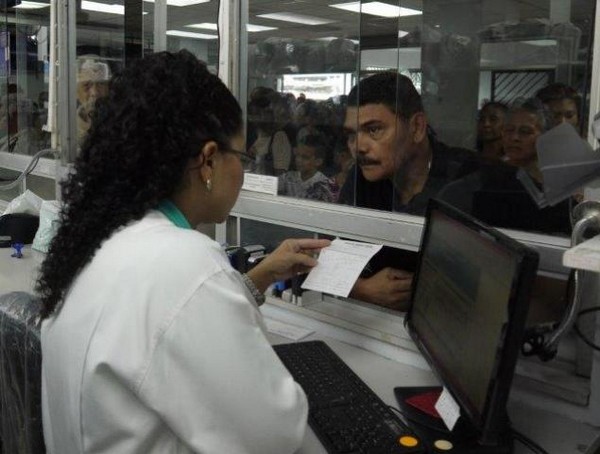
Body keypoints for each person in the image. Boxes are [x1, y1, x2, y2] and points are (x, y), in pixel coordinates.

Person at [36, 50, 330, 454]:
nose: (243, 171)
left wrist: (257, 278)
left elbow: (157, 322)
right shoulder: (184, 262)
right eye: (241, 157)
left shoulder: (103, 237)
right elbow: (276, 438)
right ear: (208, 161)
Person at [338, 72, 476, 310]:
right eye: (352, 134)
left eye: (374, 130)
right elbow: (333, 254)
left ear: (417, 127)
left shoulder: (467, 181)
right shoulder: (362, 178)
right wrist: (362, 289)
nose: (358, 147)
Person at [439, 98, 572, 235]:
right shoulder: (485, 179)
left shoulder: (560, 184)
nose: (514, 138)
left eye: (525, 131)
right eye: (509, 130)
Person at [278, 132, 338, 202]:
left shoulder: (326, 186)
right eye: (297, 155)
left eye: (305, 157)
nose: (298, 160)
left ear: (318, 162)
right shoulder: (287, 178)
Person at [76, 55, 111, 145]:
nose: (94, 92)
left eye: (101, 84)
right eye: (86, 85)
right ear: (76, 91)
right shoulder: (67, 128)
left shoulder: (123, 124)